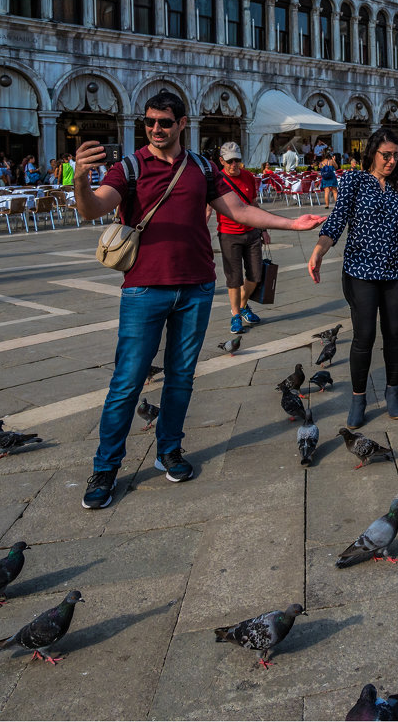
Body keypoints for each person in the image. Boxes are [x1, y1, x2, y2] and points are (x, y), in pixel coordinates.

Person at [72, 91, 325, 510]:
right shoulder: (130, 166)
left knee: (181, 377)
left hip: (195, 287)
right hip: (143, 288)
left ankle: (169, 450)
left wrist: (290, 223)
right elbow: (91, 209)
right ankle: (105, 468)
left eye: (165, 122)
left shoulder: (201, 168)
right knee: (127, 382)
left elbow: (239, 210)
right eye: (150, 121)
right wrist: (82, 178)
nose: (156, 128)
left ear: (182, 124)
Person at [307, 128, 398, 430]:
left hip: (395, 270)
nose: (392, 161)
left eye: (396, 155)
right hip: (360, 271)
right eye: (387, 155)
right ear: (372, 153)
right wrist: (319, 250)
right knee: (364, 336)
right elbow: (337, 220)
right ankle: (359, 398)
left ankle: (392, 391)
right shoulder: (355, 181)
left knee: (395, 334)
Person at [209, 141, 270, 334]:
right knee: (234, 278)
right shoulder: (217, 181)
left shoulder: (248, 177)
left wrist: (264, 228)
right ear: (221, 161)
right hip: (229, 234)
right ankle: (236, 315)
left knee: (255, 275)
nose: (234, 164)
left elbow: (253, 203)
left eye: (237, 160)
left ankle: (242, 306)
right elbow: (208, 209)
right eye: (230, 161)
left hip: (251, 232)